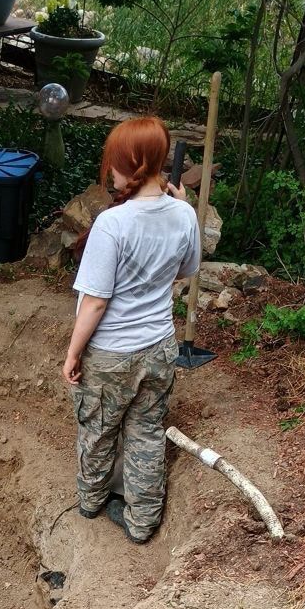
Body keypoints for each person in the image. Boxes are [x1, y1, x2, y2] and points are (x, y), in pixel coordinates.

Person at [62, 115, 201, 544]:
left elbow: (97, 301)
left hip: (110, 353)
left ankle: (91, 500)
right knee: (146, 432)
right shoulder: (184, 215)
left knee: (99, 428)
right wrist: (178, 206)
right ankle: (142, 522)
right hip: (159, 345)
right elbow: (187, 270)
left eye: (115, 164)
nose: (112, 173)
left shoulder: (113, 224)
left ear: (133, 164)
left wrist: (72, 352)